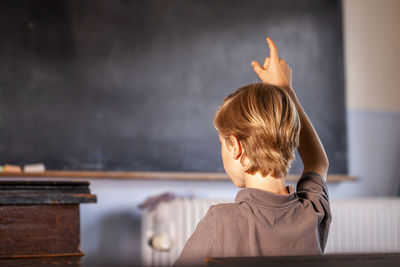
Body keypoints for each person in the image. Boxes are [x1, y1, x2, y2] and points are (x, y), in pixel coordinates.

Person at [174, 37, 331, 266]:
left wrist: (283, 89)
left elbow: (317, 162)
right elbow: (318, 162)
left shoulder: (221, 223)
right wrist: (285, 89)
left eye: (221, 144)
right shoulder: (311, 212)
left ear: (236, 147)